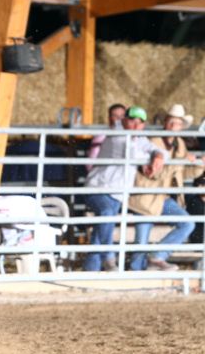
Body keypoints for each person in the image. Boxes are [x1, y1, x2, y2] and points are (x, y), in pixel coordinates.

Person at [83, 105, 166, 272]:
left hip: (117, 193)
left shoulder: (138, 138)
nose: (136, 125)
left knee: (102, 227)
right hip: (99, 188)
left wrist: (158, 154)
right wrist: (153, 158)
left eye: (139, 122)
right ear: (125, 120)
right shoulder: (117, 135)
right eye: (132, 120)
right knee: (106, 216)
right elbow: (132, 155)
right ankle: (109, 258)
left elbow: (155, 149)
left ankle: (91, 269)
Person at [127, 104, 202, 271]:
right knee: (141, 240)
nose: (174, 125)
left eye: (178, 122)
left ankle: (157, 256)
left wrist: (198, 164)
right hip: (146, 196)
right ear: (165, 122)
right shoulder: (154, 141)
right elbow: (155, 172)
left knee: (187, 223)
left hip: (164, 197)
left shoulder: (179, 144)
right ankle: (136, 272)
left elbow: (183, 173)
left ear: (182, 126)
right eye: (171, 121)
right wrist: (181, 162)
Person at [87, 103, 126, 171]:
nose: (119, 119)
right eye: (115, 116)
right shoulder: (101, 136)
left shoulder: (132, 136)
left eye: (122, 115)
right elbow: (92, 160)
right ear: (109, 118)